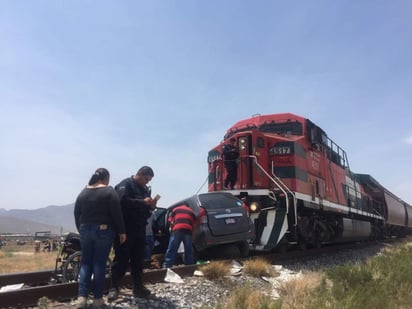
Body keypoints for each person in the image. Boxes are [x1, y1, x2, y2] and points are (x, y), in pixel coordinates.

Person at [74, 167, 126, 309]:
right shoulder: (109, 191)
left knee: (86, 263)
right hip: (103, 230)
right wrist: (122, 231)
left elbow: (76, 213)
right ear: (105, 178)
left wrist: (82, 229)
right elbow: (117, 213)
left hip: (85, 229)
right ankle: (97, 300)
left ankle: (82, 298)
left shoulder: (83, 192)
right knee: (99, 264)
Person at [108, 166, 158, 301]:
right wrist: (142, 201)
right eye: (146, 179)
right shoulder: (126, 185)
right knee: (121, 259)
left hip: (140, 229)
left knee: (138, 260)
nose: (147, 182)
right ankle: (114, 288)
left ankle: (138, 287)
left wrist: (151, 205)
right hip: (125, 230)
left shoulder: (143, 189)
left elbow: (145, 208)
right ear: (140, 174)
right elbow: (121, 202)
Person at [163, 203, 196, 268]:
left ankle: (167, 266)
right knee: (188, 249)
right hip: (188, 231)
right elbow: (194, 225)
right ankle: (189, 266)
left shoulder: (175, 209)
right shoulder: (191, 211)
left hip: (177, 230)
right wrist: (193, 236)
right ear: (188, 206)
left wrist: (172, 230)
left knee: (172, 248)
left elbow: (171, 222)